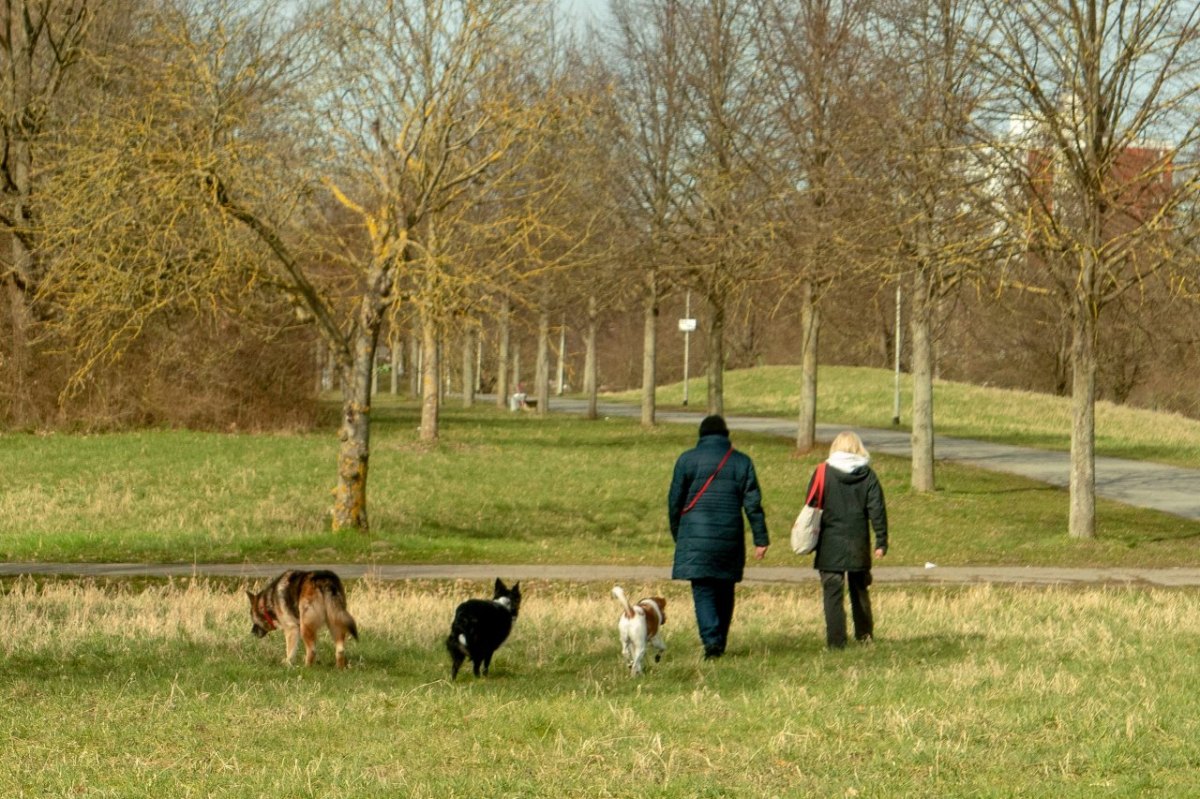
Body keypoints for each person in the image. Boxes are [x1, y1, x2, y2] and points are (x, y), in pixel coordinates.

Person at [668, 414, 769, 659]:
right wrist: (761, 538)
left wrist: (678, 533)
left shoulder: (686, 460)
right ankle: (719, 640)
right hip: (729, 536)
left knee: (703, 589)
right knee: (725, 589)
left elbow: (674, 501)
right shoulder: (742, 462)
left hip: (695, 536)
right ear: (726, 435)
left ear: (701, 436)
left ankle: (711, 641)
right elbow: (753, 504)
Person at [807, 430, 888, 649]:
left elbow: (811, 504)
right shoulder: (868, 475)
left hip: (829, 542)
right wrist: (881, 541)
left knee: (832, 594)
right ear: (858, 448)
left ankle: (836, 642)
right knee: (859, 591)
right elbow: (877, 509)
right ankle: (864, 636)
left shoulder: (823, 472)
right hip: (857, 543)